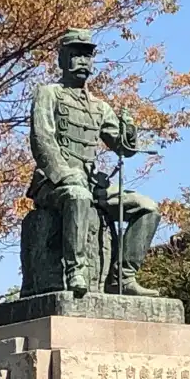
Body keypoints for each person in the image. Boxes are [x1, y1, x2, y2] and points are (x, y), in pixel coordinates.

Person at [26, 28, 160, 297]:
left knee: (148, 208)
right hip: (54, 183)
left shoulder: (99, 106)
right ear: (62, 59)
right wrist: (64, 174)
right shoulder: (49, 93)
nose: (83, 61)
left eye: (88, 56)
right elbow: (42, 139)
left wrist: (129, 129)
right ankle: (76, 269)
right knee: (77, 196)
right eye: (76, 55)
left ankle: (123, 276)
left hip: (92, 183)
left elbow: (123, 148)